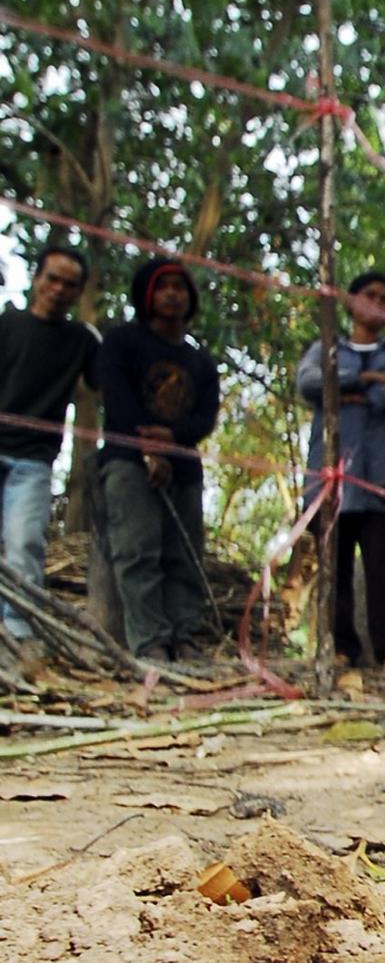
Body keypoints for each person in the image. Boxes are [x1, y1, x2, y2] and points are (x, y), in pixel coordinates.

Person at [298, 269, 385, 664]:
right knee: (333, 567)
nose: (378, 303)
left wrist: (357, 394)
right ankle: (340, 649)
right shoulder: (326, 349)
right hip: (331, 478)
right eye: (370, 295)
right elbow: (309, 383)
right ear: (351, 302)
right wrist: (365, 379)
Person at [98, 259, 220, 664]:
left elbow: (205, 417)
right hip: (127, 462)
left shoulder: (201, 362)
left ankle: (185, 637)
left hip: (184, 468)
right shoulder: (121, 343)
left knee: (184, 555)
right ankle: (150, 641)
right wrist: (147, 448)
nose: (172, 294)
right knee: (138, 550)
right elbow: (116, 401)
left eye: (180, 287)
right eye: (163, 286)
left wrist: (172, 441)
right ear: (147, 295)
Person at [0, 245, 99, 664]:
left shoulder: (81, 340)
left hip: (34, 462)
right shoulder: (7, 323)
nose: (58, 289)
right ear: (37, 278)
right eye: (52, 278)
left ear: (79, 293)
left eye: (70, 285)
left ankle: (19, 636)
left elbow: (105, 383)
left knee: (25, 544)